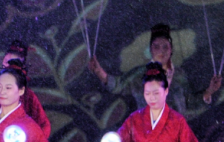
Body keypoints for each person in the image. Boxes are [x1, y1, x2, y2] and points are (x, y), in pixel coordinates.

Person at [89, 23, 222, 116]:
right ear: (151, 50)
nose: (161, 51)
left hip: (175, 133)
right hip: (149, 133)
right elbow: (117, 85)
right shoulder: (141, 73)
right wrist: (99, 71)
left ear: (171, 50)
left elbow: (189, 103)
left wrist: (209, 91)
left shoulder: (179, 74)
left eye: (165, 47)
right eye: (156, 47)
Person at [0, 40, 51, 139]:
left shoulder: (27, 95)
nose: (8, 66)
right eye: (6, 62)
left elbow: (43, 124)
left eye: (14, 63)